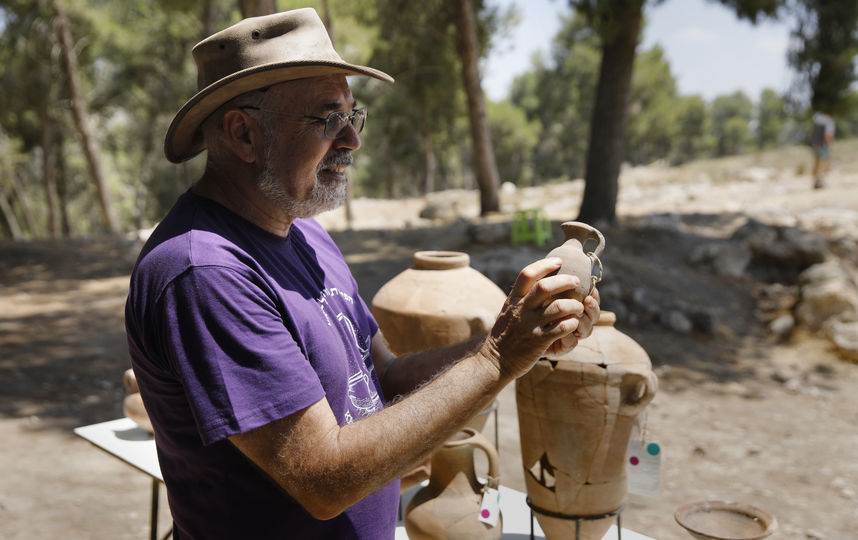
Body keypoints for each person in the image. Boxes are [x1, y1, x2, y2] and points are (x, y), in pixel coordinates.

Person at [125, 8, 600, 540]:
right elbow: (322, 479)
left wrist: (517, 344)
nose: (352, 140)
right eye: (329, 119)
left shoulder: (306, 235)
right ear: (244, 133)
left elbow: (382, 383)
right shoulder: (205, 272)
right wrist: (496, 359)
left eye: (355, 116)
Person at [810, 110, 835, 189]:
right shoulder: (829, 121)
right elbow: (827, 135)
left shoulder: (818, 119)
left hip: (814, 144)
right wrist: (830, 146)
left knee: (817, 162)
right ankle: (820, 180)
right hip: (823, 145)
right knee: (827, 161)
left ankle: (816, 180)